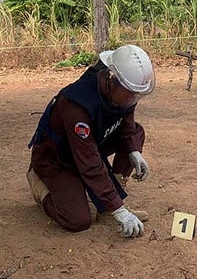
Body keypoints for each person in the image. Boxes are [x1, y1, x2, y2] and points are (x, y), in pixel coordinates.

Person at [27, 44, 155, 238]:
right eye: (130, 93)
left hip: (87, 146)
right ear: (113, 80)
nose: (133, 99)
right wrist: (120, 211)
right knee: (77, 220)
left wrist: (133, 150)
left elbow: (127, 117)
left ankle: (107, 208)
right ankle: (39, 183)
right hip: (57, 159)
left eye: (137, 94)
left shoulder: (122, 94)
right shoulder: (76, 105)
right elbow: (90, 163)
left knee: (135, 134)